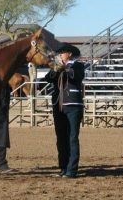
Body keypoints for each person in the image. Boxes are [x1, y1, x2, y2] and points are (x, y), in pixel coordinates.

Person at [44, 43, 85, 178]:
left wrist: (65, 68)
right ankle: (63, 168)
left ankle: (72, 170)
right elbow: (47, 78)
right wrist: (56, 68)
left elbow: (76, 77)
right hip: (58, 105)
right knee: (61, 138)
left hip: (73, 105)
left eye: (62, 53)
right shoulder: (56, 66)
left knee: (72, 138)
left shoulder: (78, 65)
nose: (60, 55)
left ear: (70, 54)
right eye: (59, 53)